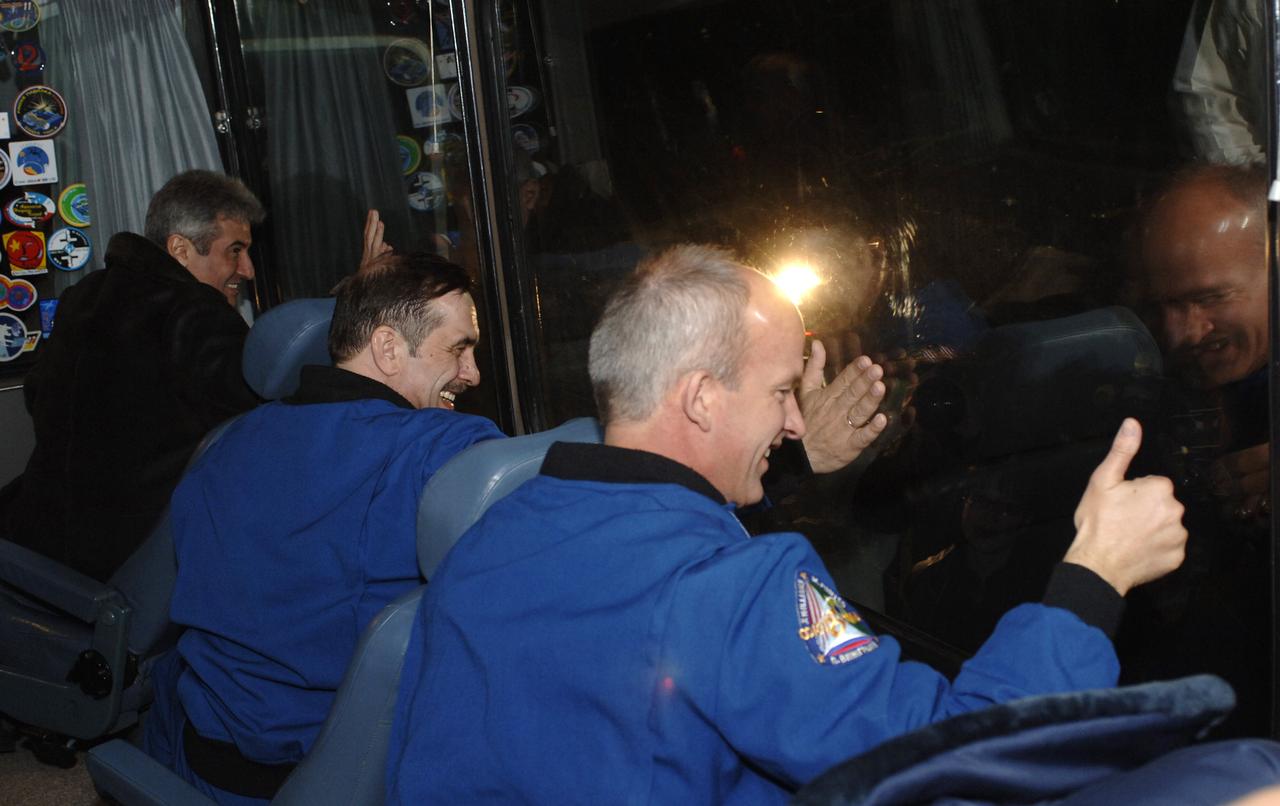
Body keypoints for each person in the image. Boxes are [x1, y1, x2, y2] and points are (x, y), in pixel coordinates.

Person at [385, 244, 1190, 804]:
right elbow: (962, 759)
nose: (797, 423)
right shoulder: (730, 593)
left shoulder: (490, 537)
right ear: (701, 398)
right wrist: (1094, 577)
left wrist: (794, 476)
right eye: (780, 393)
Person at [142, 250, 503, 804]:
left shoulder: (226, 444)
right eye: (459, 348)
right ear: (387, 348)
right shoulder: (440, 448)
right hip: (333, 774)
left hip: (205, 761)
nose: (473, 373)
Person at [0, 170, 264, 581]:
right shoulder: (199, 314)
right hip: (132, 559)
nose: (246, 269)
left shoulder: (84, 294)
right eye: (235, 250)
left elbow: (38, 396)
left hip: (39, 537)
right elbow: (256, 427)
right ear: (180, 249)